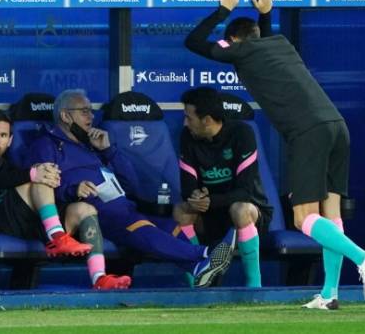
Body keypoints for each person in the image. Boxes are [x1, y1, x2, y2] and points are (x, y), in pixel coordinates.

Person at [184, 0, 365, 307]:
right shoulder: (281, 43)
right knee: (330, 215)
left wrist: (224, 10)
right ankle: (329, 294)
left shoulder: (242, 49)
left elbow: (193, 42)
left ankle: (364, 258)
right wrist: (267, 14)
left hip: (308, 133)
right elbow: (259, 39)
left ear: (233, 41)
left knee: (303, 218)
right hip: (337, 127)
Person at [26, 89, 237, 288]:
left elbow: (130, 184)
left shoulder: (90, 145)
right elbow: (39, 186)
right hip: (91, 213)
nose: (91, 116)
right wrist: (73, 190)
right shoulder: (46, 144)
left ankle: (198, 267)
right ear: (65, 116)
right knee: (139, 225)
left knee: (168, 225)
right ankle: (205, 253)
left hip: (123, 207)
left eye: (91, 111)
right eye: (84, 112)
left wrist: (109, 151)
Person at [0, 109, 130, 290]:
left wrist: (72, 191)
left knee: (84, 209)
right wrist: (33, 173)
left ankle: (99, 278)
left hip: (27, 223)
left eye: (3, 135)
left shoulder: (11, 167)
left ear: (10, 141)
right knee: (38, 177)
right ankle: (57, 236)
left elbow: (26, 186)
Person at [174, 87, 272, 288]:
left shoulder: (242, 133)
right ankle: (197, 280)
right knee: (181, 210)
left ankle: (254, 286)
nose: (185, 123)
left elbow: (246, 191)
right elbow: (187, 186)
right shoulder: (187, 136)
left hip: (248, 215)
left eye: (189, 118)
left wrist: (211, 201)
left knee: (240, 208)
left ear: (207, 120)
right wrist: (195, 197)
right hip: (210, 214)